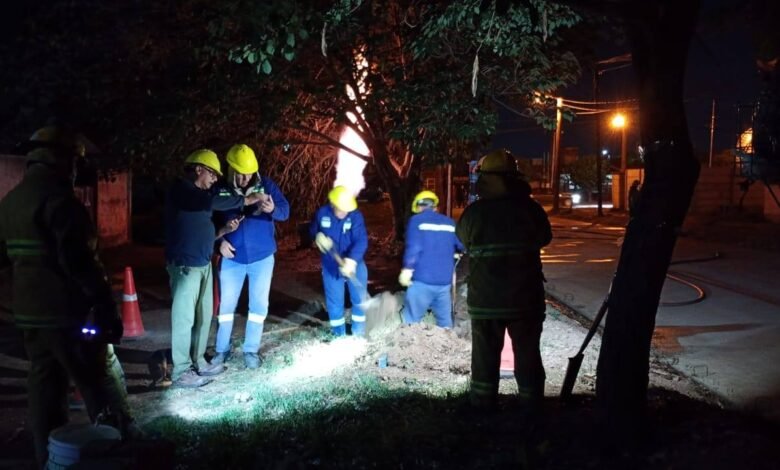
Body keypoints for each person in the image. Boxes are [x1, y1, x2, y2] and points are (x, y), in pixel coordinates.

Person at [0, 125, 138, 466]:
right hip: (67, 313)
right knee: (97, 378)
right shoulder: (61, 203)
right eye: (75, 162)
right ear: (61, 160)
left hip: (30, 316)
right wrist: (105, 308)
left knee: (45, 387)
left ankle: (49, 458)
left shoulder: (12, 202)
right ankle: (120, 449)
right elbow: (82, 264)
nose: (77, 170)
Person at [456, 149, 552, 410]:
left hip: (486, 300)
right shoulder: (531, 210)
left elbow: (463, 239)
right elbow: (545, 237)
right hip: (525, 300)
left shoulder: (474, 213)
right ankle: (531, 408)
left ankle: (482, 407)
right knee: (528, 354)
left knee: (485, 357)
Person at [164, 148, 264, 387]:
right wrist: (246, 200)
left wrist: (223, 231)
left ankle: (199, 361)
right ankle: (181, 371)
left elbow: (203, 230)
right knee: (184, 319)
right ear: (198, 169)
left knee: (203, 316)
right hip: (185, 265)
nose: (215, 179)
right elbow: (208, 202)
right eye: (212, 174)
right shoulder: (182, 190)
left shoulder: (200, 195)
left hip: (203, 262)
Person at [211, 144, 289, 369]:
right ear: (230, 170)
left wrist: (272, 209)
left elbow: (285, 212)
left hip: (262, 258)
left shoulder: (267, 185)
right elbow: (207, 221)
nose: (245, 179)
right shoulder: (220, 190)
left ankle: (251, 351)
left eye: (249, 173)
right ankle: (221, 350)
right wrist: (219, 243)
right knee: (226, 307)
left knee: (258, 306)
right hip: (232, 258)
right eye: (240, 174)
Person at [398, 190, 464, 328]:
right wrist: (452, 253)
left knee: (411, 322)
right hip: (444, 283)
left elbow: (414, 247)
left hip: (422, 281)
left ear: (418, 207)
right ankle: (447, 340)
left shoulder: (416, 221)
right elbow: (462, 245)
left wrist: (407, 269)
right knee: (445, 323)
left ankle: (410, 339)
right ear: (435, 207)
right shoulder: (449, 222)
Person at [309, 186, 369, 336]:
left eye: (347, 209)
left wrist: (352, 261)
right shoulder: (322, 213)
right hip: (331, 266)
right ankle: (338, 334)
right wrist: (317, 236)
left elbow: (361, 240)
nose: (344, 212)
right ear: (333, 203)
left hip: (355, 263)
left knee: (359, 299)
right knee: (335, 302)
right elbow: (313, 229)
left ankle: (358, 333)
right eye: (341, 209)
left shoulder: (355, 216)